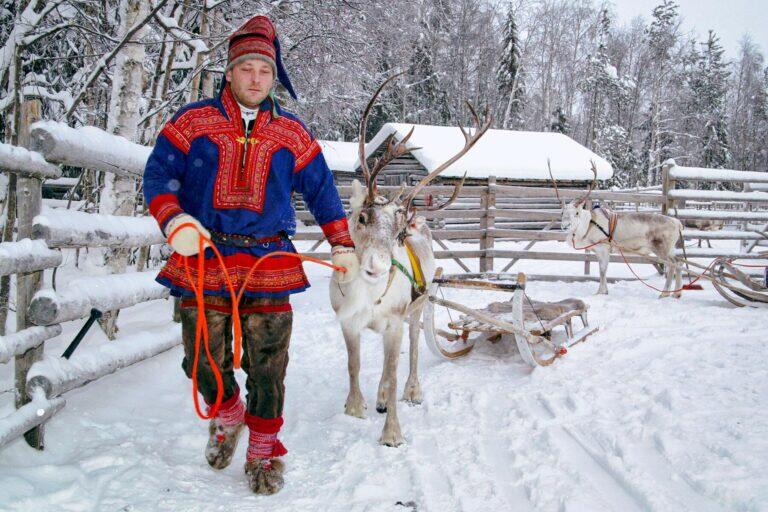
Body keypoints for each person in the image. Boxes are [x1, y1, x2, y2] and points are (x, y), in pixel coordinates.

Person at [142, 14, 358, 495]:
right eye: (247, 69)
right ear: (230, 71)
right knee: (200, 356)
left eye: (264, 70)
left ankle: (263, 448)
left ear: (272, 75)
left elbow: (322, 191)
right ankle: (227, 411)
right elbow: (157, 178)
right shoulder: (192, 123)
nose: (256, 78)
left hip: (270, 260)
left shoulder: (293, 134)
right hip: (204, 255)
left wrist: (342, 243)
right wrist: (173, 219)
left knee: (268, 361)